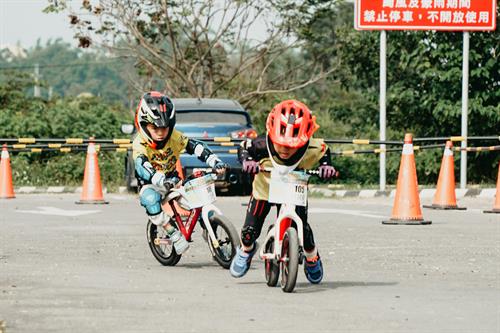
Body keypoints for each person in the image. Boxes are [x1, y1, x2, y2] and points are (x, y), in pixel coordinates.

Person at [229, 99, 337, 283]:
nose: (285, 150)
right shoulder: (260, 145)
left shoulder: (312, 148)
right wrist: (247, 161)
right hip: (264, 189)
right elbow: (243, 148)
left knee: (303, 229)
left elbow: (324, 151)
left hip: (294, 190)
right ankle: (246, 251)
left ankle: (312, 257)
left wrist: (327, 166)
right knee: (249, 232)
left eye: (292, 146)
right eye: (281, 144)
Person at [133, 91, 228, 254]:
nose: (161, 132)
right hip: (151, 184)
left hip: (173, 180)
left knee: (199, 198)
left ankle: (211, 233)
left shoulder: (174, 137)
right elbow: (142, 165)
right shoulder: (139, 144)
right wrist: (158, 179)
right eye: (155, 127)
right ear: (143, 124)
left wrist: (215, 161)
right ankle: (172, 232)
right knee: (150, 199)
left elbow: (195, 147)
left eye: (165, 127)